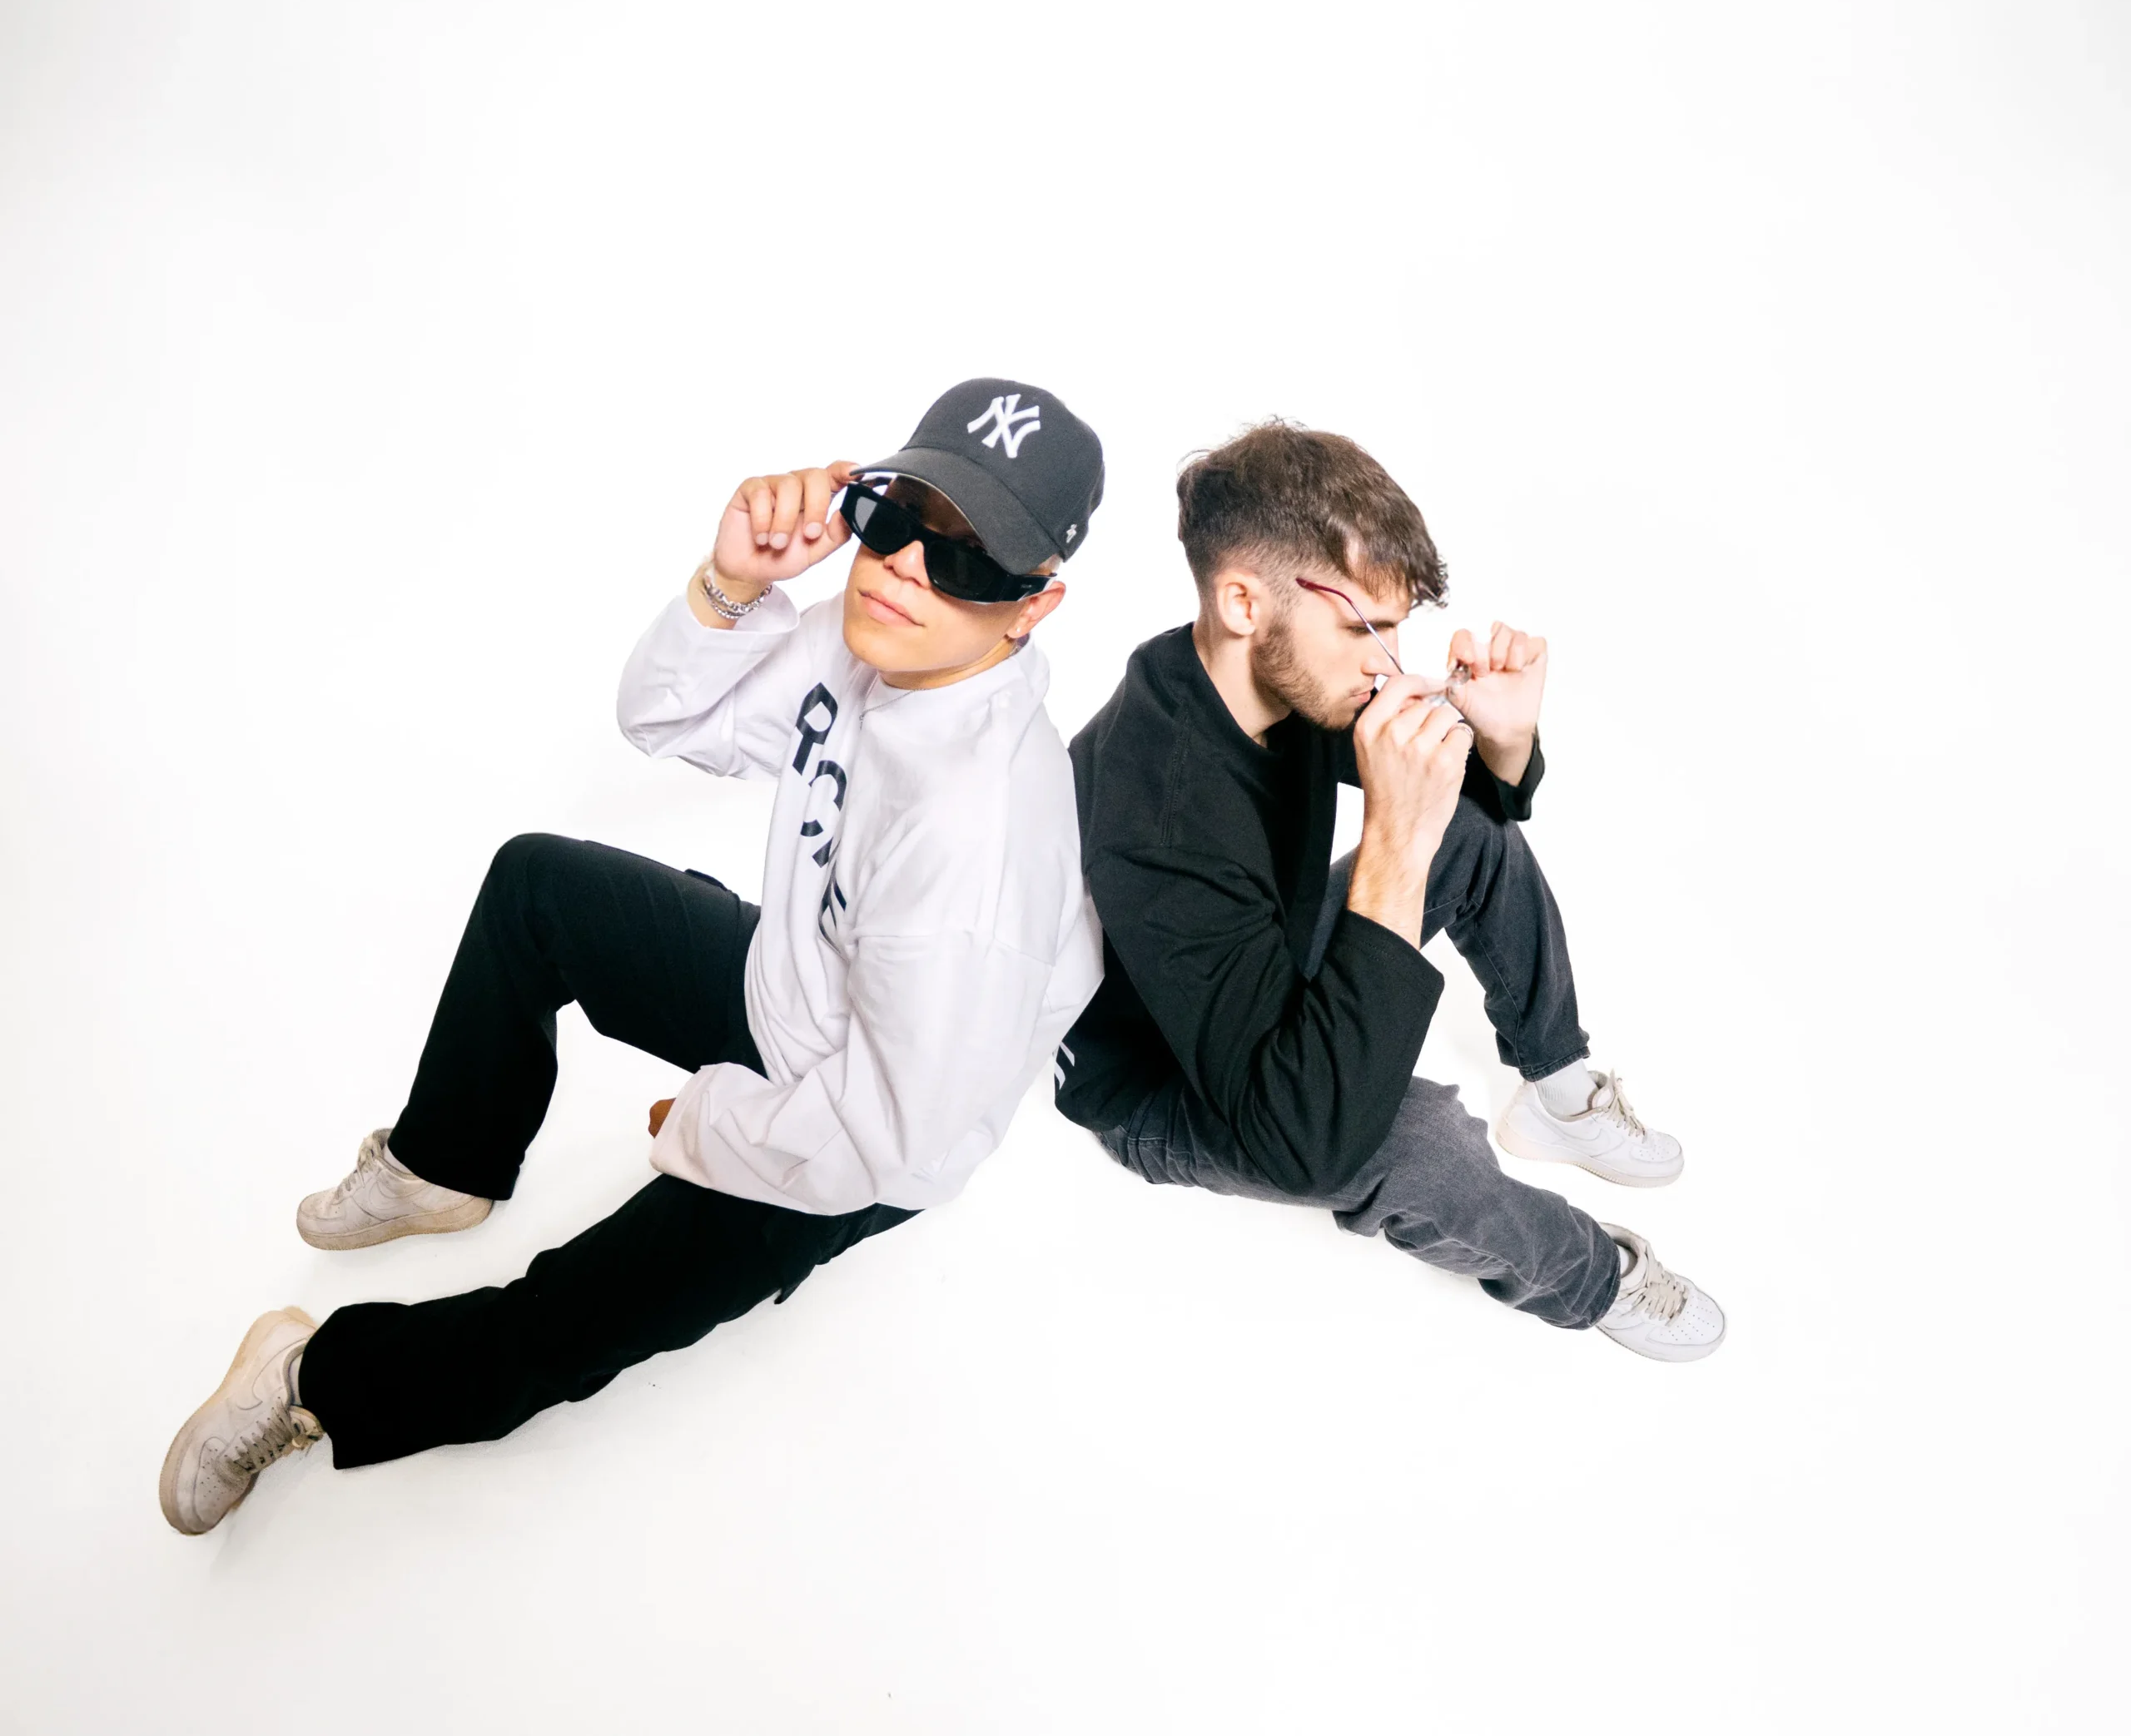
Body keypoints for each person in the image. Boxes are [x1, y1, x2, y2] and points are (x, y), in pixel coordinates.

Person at [161, 378, 1108, 1535]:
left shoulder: (979, 841)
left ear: (1034, 604)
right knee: (537, 886)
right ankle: (445, 1163)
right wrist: (734, 583)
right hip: (793, 985)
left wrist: (705, 1122)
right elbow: (669, 718)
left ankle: (306, 1377)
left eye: (966, 556)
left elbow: (887, 1131)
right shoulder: (876, 642)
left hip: (860, 1139)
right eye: (896, 514)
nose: (906, 564)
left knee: (549, 1328)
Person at [1054, 419, 1726, 1360]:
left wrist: (1502, 738)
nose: (1388, 658)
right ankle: (1593, 1278)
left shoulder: (1271, 673)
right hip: (1162, 1081)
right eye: (1362, 626)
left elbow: (1474, 802)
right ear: (1243, 600)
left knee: (1467, 832)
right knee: (1422, 1143)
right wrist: (1394, 845)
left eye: (1396, 625)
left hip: (1264, 961)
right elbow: (1306, 1142)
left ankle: (1557, 1092)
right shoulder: (1159, 811)